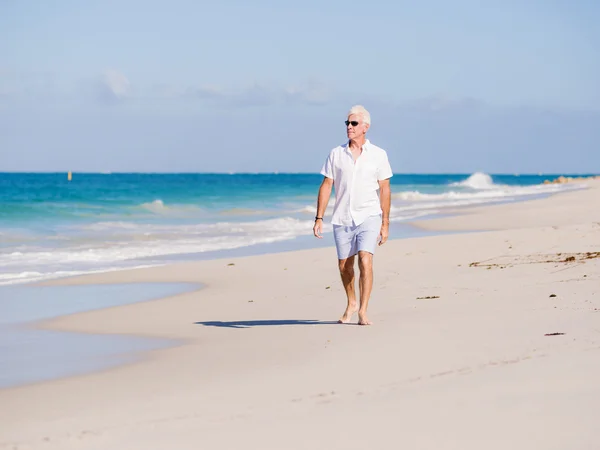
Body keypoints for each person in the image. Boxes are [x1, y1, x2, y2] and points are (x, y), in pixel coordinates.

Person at [313, 105, 393, 326]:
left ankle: (363, 311)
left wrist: (385, 223)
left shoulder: (378, 155)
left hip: (369, 215)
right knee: (344, 266)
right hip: (342, 217)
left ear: (365, 127)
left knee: (365, 260)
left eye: (354, 123)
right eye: (347, 123)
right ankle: (352, 302)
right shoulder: (336, 154)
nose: (349, 127)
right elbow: (327, 184)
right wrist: (319, 217)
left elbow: (385, 189)